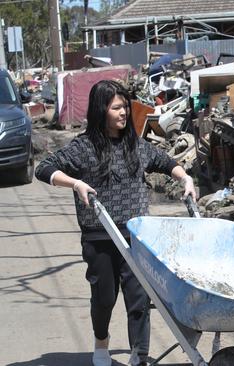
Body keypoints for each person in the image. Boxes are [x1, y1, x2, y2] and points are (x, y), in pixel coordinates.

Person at [35, 80, 196, 366]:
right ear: (101, 110)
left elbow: (164, 160)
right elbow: (44, 168)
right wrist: (76, 184)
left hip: (135, 235)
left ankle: (139, 356)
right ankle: (101, 343)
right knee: (104, 298)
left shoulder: (135, 144)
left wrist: (184, 177)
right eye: (117, 107)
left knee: (138, 299)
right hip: (99, 237)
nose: (124, 113)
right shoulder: (83, 148)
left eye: (125, 107)